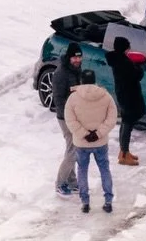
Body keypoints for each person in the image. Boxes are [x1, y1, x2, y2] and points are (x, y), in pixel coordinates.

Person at [64, 68, 118, 214]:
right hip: (100, 143)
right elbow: (112, 118)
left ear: (81, 81)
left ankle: (85, 202)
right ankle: (108, 201)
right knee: (104, 169)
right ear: (94, 80)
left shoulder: (73, 98)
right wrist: (98, 133)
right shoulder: (106, 96)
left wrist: (84, 134)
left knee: (82, 170)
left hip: (81, 143)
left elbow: (70, 120)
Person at [50, 42, 84, 196]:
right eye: (74, 57)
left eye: (79, 57)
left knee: (73, 148)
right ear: (69, 57)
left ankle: (71, 181)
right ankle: (60, 183)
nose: (77, 60)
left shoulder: (76, 70)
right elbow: (58, 98)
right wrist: (70, 115)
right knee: (73, 150)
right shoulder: (61, 73)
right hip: (66, 117)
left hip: (76, 115)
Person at [109, 35, 146, 166]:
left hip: (124, 95)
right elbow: (137, 75)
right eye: (127, 48)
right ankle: (124, 154)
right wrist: (141, 66)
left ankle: (123, 151)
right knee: (128, 124)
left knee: (126, 123)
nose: (129, 50)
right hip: (129, 97)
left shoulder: (117, 60)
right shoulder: (124, 62)